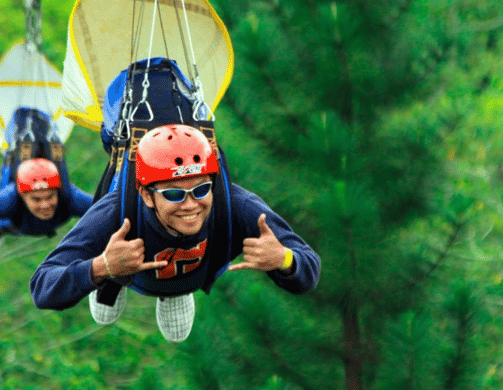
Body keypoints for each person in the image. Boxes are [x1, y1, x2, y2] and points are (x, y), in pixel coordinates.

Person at [29, 124, 320, 342]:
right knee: (104, 314)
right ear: (145, 194)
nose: (191, 205)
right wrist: (101, 267)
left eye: (202, 189)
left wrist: (284, 259)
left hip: (197, 270)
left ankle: (176, 292)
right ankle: (112, 282)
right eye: (173, 194)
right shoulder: (115, 211)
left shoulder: (237, 206)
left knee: (178, 332)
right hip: (125, 270)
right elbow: (42, 287)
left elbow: (310, 268)